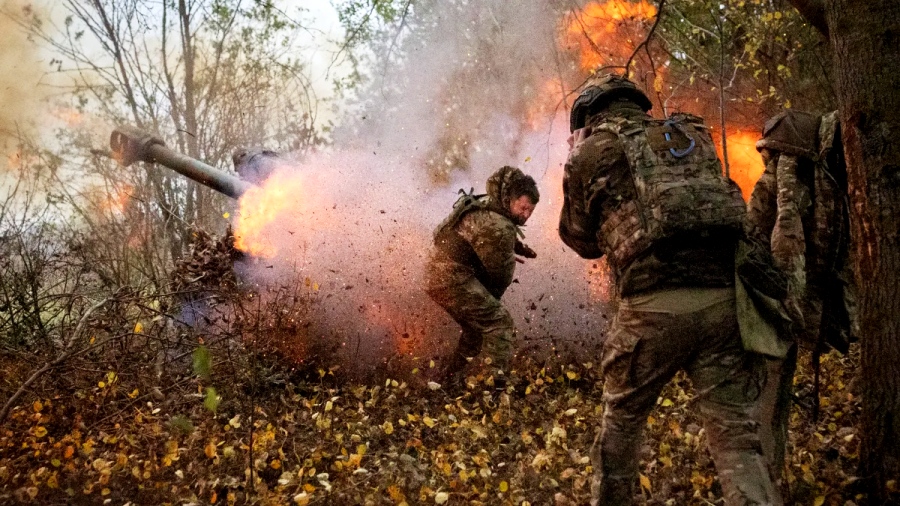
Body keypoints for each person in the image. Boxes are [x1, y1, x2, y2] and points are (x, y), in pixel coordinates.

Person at [559, 73, 781, 505]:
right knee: (735, 433)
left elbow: (579, 239)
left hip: (652, 306)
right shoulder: (686, 137)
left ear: (589, 115)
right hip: (725, 302)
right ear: (637, 106)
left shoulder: (591, 150)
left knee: (621, 422)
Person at [746, 110, 857, 479]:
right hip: (803, 300)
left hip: (773, 304)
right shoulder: (835, 176)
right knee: (775, 394)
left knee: (767, 395)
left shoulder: (781, 179)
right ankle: (769, 476)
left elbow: (753, 234)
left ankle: (764, 480)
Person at [426, 166, 539, 392]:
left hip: (438, 273)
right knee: (500, 321)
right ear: (510, 200)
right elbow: (499, 279)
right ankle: (496, 389)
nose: (525, 215)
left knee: (475, 329)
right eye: (523, 207)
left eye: (530, 211)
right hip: (451, 277)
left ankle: (445, 381)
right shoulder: (501, 225)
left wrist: (516, 247)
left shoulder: (486, 204)